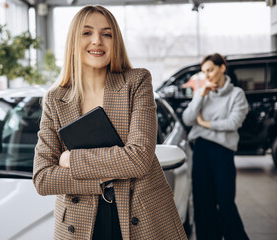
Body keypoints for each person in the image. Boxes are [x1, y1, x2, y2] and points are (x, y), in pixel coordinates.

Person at [33, 5, 187, 240]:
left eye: (107, 34)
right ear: (74, 40)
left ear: (115, 42)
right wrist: (104, 176)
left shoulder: (136, 82)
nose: (97, 41)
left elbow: (138, 159)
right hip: (79, 223)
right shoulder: (55, 99)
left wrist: (72, 159)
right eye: (87, 33)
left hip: (142, 218)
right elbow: (43, 178)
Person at [182, 53, 249, 240]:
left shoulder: (237, 94)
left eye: (210, 70)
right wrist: (201, 96)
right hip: (201, 150)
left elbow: (232, 123)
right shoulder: (202, 93)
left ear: (222, 68)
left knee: (225, 202)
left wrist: (204, 124)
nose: (207, 75)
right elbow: (187, 119)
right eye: (204, 72)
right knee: (203, 203)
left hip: (223, 152)